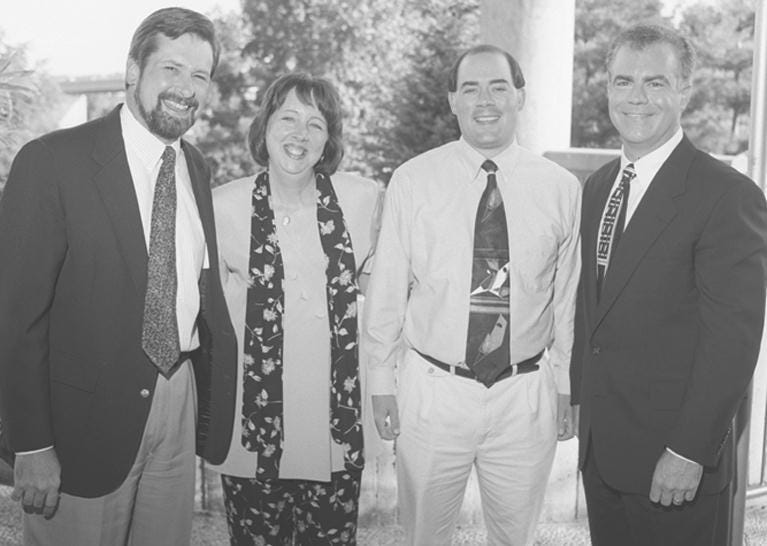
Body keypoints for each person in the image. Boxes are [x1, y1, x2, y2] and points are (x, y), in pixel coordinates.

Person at [0, 7, 237, 545]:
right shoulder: (53, 161)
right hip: (81, 424)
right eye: (171, 69)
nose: (186, 88)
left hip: (177, 402)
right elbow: (15, 316)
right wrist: (31, 445)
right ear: (133, 70)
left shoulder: (195, 167)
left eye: (200, 75)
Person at [364, 44, 581, 545]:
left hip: (524, 394)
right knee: (425, 536)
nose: (486, 100)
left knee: (515, 538)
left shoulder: (561, 189)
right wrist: (380, 378)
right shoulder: (413, 181)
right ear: (451, 101)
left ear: (520, 96)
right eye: (471, 88)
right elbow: (389, 287)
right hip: (434, 390)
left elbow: (567, 298)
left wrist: (568, 381)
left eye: (499, 86)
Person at [571, 23, 767, 545]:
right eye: (622, 81)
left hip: (673, 466)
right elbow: (593, 308)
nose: (636, 97)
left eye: (655, 83)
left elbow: (734, 340)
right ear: (606, 88)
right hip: (603, 455)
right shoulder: (598, 188)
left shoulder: (727, 195)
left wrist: (690, 451)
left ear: (684, 90)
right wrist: (577, 398)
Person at [208, 72, 380, 545]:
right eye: (287, 118)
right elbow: (210, 321)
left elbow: (383, 291)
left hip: (332, 431)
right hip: (252, 433)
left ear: (329, 142)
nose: (299, 134)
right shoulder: (223, 206)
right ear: (264, 128)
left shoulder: (362, 200)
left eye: (316, 124)